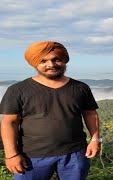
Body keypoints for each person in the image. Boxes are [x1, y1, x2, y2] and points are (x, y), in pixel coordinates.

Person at [0, 41, 101, 180]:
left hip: (75, 154)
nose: (51, 65)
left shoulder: (80, 88)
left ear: (64, 60)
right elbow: (9, 123)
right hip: (31, 156)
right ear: (35, 63)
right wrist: (11, 154)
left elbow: (90, 114)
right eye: (43, 61)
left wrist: (96, 139)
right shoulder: (17, 90)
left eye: (56, 59)